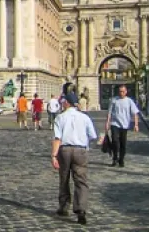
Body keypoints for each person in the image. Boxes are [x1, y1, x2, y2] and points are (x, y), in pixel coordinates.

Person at [52, 91, 97, 225]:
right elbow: (92, 135)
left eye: (63, 102)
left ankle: (64, 207)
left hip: (64, 150)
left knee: (64, 179)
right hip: (80, 150)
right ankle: (81, 210)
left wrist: (53, 155)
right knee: (81, 181)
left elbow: (57, 138)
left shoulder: (60, 118)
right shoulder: (85, 117)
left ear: (67, 103)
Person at [105, 85, 139, 167]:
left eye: (123, 91)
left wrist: (136, 124)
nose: (121, 93)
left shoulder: (129, 101)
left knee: (123, 143)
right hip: (115, 123)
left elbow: (135, 113)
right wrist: (107, 123)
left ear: (126, 92)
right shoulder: (114, 100)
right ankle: (115, 158)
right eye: (120, 91)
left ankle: (121, 159)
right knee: (115, 141)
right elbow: (109, 112)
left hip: (125, 125)